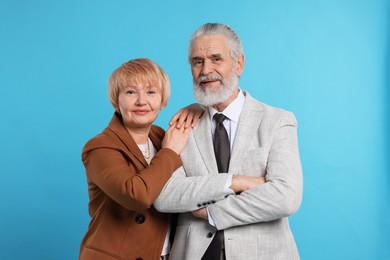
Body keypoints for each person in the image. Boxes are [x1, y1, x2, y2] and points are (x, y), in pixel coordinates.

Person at [154, 23, 303, 260]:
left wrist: (212, 212)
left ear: (239, 63)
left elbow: (286, 197)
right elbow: (165, 196)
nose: (206, 70)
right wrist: (235, 183)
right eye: (197, 61)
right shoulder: (181, 126)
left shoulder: (277, 121)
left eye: (216, 59)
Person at [79, 58, 199, 260]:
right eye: (131, 92)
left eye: (151, 92)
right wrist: (169, 152)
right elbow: (136, 195)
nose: (142, 101)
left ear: (162, 101)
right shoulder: (100, 146)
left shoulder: (162, 137)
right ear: (116, 100)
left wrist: (199, 108)